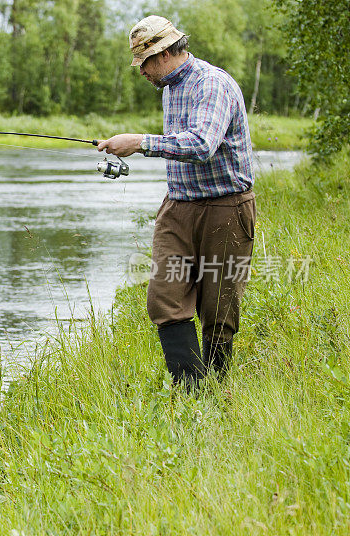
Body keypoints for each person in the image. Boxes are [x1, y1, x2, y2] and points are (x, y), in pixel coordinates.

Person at [97, 15, 256, 388]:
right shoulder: (169, 88)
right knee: (165, 299)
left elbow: (201, 144)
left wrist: (139, 142)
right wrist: (137, 144)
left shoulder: (211, 84)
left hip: (226, 209)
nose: (142, 72)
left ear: (166, 53)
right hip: (178, 208)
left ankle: (217, 388)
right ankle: (193, 393)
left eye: (144, 63)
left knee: (218, 308)